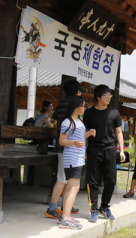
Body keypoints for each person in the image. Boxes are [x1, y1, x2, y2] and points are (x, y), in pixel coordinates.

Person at [84, 84, 126, 222]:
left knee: (111, 181)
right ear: (98, 97)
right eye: (105, 95)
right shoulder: (89, 113)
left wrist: (121, 149)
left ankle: (104, 206)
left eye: (110, 95)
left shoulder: (114, 113)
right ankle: (94, 209)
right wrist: (84, 148)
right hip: (94, 149)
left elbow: (118, 131)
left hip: (110, 149)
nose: (109, 97)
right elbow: (83, 133)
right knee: (93, 181)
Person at [45, 80, 82, 219]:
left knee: (67, 178)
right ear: (78, 92)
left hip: (62, 144)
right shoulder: (76, 104)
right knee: (62, 178)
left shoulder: (61, 104)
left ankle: (67, 205)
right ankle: (52, 207)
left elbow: (53, 120)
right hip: (69, 146)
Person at [58, 96, 96, 229]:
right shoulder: (67, 122)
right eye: (83, 105)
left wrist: (89, 133)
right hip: (72, 158)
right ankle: (65, 219)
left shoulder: (78, 121)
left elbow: (79, 138)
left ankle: (65, 216)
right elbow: (62, 141)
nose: (85, 108)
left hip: (78, 158)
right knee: (74, 188)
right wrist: (74, 143)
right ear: (76, 107)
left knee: (70, 188)